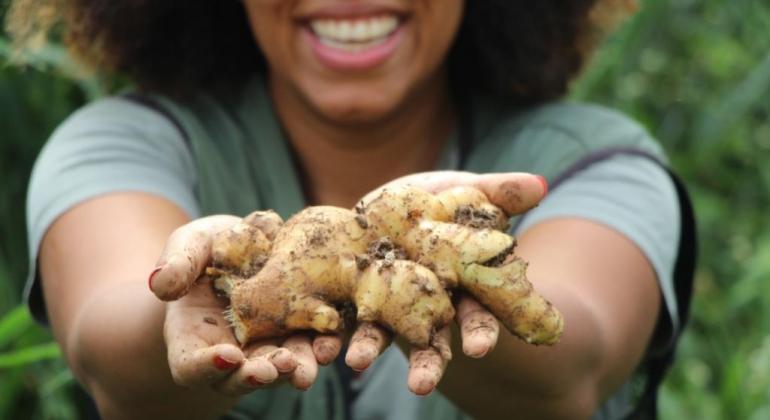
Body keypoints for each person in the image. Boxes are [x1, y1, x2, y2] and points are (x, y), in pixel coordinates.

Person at [14, 0, 695, 419]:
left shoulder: (594, 161)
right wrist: (191, 304)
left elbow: (570, 371)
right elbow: (108, 353)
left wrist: (447, 271)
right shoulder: (123, 145)